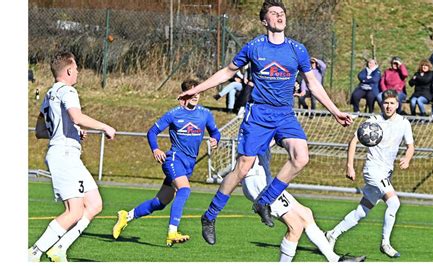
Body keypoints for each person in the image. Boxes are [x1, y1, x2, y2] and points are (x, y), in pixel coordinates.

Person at [178, 0, 352, 245]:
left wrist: (335, 111)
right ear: (264, 21)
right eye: (274, 13)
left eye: (282, 13)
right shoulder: (254, 47)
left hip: (284, 114)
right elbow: (227, 72)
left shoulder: (297, 49)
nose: (280, 16)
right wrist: (197, 89)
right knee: (243, 168)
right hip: (258, 114)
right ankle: (210, 215)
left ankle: (265, 200)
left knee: (301, 157)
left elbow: (313, 84)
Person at [29, 51, 116, 262]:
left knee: (94, 204)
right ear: (68, 70)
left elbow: (40, 131)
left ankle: (59, 248)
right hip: (65, 155)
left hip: (65, 153)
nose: (77, 71)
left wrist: (72, 131)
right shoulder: (68, 90)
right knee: (75, 211)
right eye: (76, 68)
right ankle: (33, 253)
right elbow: (76, 116)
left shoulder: (50, 94)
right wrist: (105, 126)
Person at [112, 79, 221, 246]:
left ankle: (126, 216)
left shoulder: (205, 114)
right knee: (184, 190)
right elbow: (152, 132)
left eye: (198, 92)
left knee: (159, 203)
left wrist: (215, 139)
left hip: (188, 164)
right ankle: (172, 232)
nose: (196, 95)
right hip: (174, 160)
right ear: (185, 94)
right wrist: (156, 149)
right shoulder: (174, 114)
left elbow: (215, 132)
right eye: (192, 92)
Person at [325, 89, 415, 258]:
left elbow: (410, 146)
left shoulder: (404, 123)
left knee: (362, 211)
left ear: (398, 105)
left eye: (391, 103)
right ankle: (385, 243)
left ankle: (332, 234)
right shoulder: (373, 121)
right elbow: (353, 141)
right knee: (394, 203)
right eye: (386, 103)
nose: (388, 106)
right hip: (373, 170)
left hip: (386, 173)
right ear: (382, 104)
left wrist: (407, 158)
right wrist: (349, 166)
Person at [241, 145, 366, 262]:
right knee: (295, 226)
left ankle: (335, 260)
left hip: (264, 180)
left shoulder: (264, 125)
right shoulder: (259, 125)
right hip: (257, 181)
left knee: (306, 214)